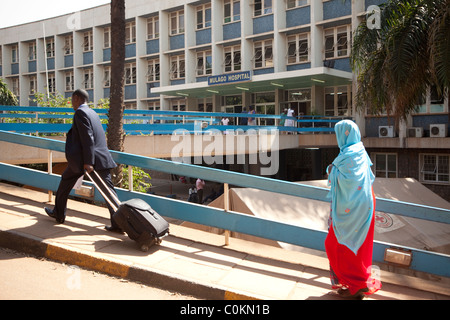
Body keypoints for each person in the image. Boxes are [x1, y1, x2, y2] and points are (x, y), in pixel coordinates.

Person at [44, 89, 122, 233]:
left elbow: (88, 138)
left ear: (77, 98)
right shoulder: (92, 112)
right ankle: (58, 213)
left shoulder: (80, 113)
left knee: (106, 191)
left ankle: (59, 214)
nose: (71, 103)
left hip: (89, 161)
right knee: (107, 191)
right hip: (96, 158)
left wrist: (88, 162)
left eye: (72, 100)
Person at [324, 120, 381, 299]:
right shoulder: (360, 151)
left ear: (344, 134)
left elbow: (340, 177)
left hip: (351, 208)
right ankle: (354, 285)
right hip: (365, 204)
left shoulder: (347, 155)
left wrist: (331, 169)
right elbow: (367, 177)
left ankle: (357, 284)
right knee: (358, 245)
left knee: (335, 244)